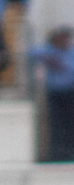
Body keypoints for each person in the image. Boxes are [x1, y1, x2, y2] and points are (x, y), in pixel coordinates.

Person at [32, 27, 74, 161]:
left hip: (70, 93)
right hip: (55, 93)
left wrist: (61, 65)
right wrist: (48, 57)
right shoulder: (50, 51)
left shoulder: (70, 52)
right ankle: (57, 154)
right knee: (56, 125)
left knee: (69, 125)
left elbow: (69, 70)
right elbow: (33, 52)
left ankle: (69, 153)